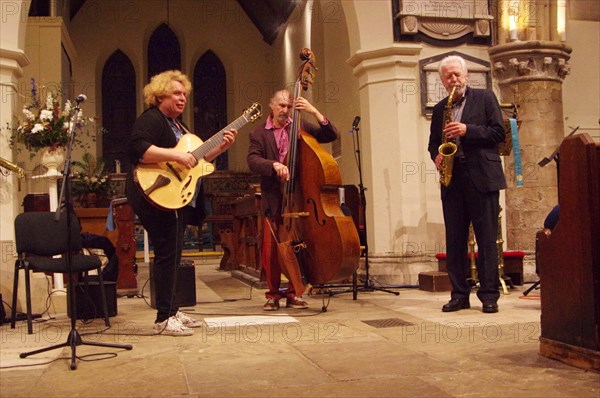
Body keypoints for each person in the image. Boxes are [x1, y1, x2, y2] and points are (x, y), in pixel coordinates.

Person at [126, 70, 237, 336]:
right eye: (176, 93)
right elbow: (137, 149)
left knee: (173, 254)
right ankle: (163, 318)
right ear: (159, 95)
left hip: (174, 196)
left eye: (185, 94)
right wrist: (176, 156)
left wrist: (221, 147)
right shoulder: (152, 119)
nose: (182, 98)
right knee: (167, 253)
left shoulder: (179, 126)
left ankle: (172, 311)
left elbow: (195, 159)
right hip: (153, 191)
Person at [428, 55, 507, 314]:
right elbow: (432, 144)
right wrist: (436, 156)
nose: (453, 80)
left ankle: (488, 296)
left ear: (466, 75)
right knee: (455, 240)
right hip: (453, 180)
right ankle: (459, 295)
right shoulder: (440, 109)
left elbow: (499, 133)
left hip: (482, 177)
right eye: (448, 76)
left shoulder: (485, 98)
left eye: (457, 75)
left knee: (486, 240)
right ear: (442, 80)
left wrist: (467, 130)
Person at [247, 89, 339, 311]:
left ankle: (294, 292)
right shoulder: (259, 133)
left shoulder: (301, 126)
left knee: (297, 245)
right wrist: (274, 165)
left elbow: (330, 135)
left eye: (288, 106)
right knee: (272, 249)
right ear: (271, 105)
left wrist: (314, 111)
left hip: (299, 196)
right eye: (281, 106)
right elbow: (252, 160)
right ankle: (273, 295)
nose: (285, 110)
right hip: (273, 197)